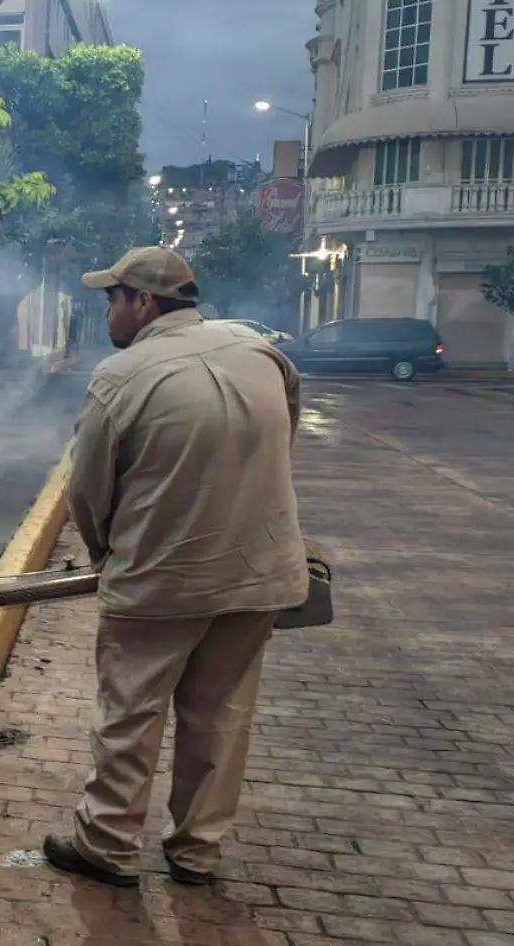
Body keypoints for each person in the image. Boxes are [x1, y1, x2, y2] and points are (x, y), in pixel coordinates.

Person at [42, 245, 309, 889]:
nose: (106, 311)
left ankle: (107, 842)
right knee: (221, 714)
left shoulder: (122, 374)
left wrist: (110, 554)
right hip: (258, 574)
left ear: (144, 302)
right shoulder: (263, 354)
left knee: (131, 711)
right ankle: (196, 851)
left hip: (161, 579)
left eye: (112, 298)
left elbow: (87, 491)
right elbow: (282, 441)